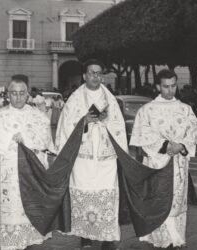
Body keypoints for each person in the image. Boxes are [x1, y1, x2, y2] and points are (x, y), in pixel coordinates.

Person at [130, 69, 197, 250]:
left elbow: (194, 133)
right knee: (159, 201)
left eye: (173, 86)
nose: (170, 90)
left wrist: (181, 146)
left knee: (177, 202)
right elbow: (142, 136)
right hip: (157, 165)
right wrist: (165, 146)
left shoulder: (185, 109)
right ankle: (160, 239)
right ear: (158, 86)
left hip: (179, 165)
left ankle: (176, 239)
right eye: (166, 86)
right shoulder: (147, 110)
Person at [55, 59, 128, 250]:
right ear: (84, 76)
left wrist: (105, 123)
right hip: (82, 158)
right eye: (91, 73)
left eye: (98, 73)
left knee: (108, 193)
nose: (95, 76)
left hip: (106, 159)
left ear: (102, 76)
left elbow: (119, 128)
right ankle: (85, 237)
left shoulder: (110, 99)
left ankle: (107, 237)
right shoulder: (75, 99)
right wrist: (85, 121)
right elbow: (65, 127)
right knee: (83, 193)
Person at [0, 74, 54, 250]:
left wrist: (26, 138)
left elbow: (46, 143)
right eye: (14, 93)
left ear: (28, 94)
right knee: (11, 220)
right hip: (9, 176)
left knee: (31, 224)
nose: (18, 97)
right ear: (8, 94)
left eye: (22, 93)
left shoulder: (39, 116)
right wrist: (11, 139)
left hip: (32, 176)